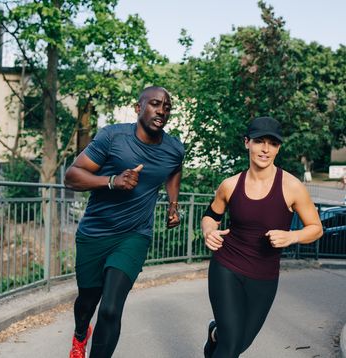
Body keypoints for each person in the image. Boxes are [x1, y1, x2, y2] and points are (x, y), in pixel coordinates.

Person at [64, 86, 184, 358]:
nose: (161, 111)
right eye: (155, 104)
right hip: (95, 232)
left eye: (167, 107)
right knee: (87, 301)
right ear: (138, 107)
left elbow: (174, 170)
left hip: (134, 236)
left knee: (110, 309)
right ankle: (81, 334)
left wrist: (173, 205)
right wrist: (111, 181)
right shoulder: (113, 137)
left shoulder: (174, 148)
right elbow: (72, 175)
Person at [201, 117, 323, 358]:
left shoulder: (292, 186)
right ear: (247, 143)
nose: (265, 149)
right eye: (259, 141)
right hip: (227, 266)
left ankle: (215, 333)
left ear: (278, 148)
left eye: (272, 144)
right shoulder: (230, 185)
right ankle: (222, 338)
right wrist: (208, 231)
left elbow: (316, 228)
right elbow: (210, 216)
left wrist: (292, 236)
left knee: (241, 342)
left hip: (264, 275)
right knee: (232, 345)